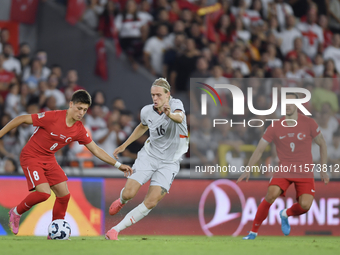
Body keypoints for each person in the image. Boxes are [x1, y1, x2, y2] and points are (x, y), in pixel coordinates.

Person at [2, 89, 133, 237]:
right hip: (31, 156)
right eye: (79, 108)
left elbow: (96, 150)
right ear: (71, 104)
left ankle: (55, 233)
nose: (81, 113)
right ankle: (16, 212)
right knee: (44, 193)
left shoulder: (78, 129)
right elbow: (22, 119)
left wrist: (118, 165)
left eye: (84, 110)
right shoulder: (53, 116)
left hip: (49, 158)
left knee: (64, 195)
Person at [105, 78, 188, 240]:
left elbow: (179, 118)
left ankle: (115, 230)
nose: (155, 98)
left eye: (158, 95)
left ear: (168, 95)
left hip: (170, 162)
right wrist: (124, 145)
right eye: (152, 95)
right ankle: (122, 199)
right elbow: (142, 126)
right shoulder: (147, 111)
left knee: (151, 201)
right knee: (129, 193)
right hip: (149, 156)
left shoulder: (176, 104)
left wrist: (168, 113)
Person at [237, 93, 329, 240]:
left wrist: (323, 169)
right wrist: (248, 169)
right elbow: (260, 149)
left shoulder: (309, 123)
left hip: (304, 170)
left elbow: (322, 144)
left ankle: (285, 213)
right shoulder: (275, 126)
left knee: (305, 205)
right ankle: (253, 232)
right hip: (284, 168)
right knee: (271, 194)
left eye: (291, 102)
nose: (288, 105)